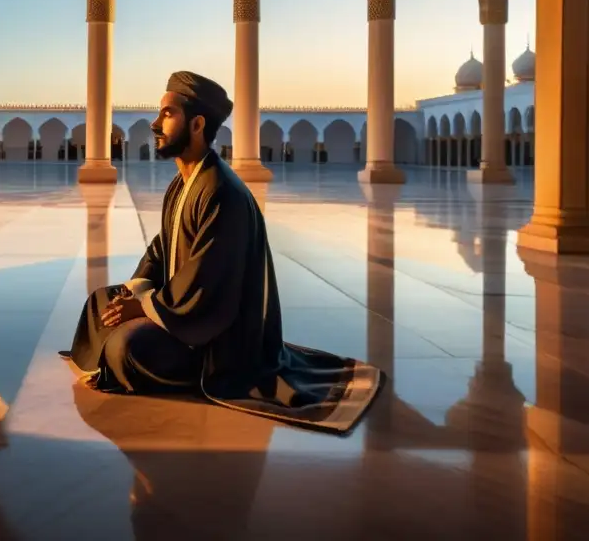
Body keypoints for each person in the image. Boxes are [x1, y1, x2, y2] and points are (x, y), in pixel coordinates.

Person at [64, 71, 381, 434]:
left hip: (215, 337)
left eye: (167, 114)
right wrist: (134, 290)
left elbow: (207, 281)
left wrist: (146, 309)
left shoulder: (221, 191)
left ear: (196, 124)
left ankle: (170, 356)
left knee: (125, 348)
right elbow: (162, 246)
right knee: (99, 305)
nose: (155, 124)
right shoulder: (184, 182)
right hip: (178, 308)